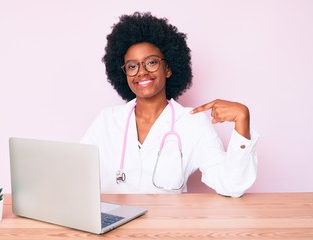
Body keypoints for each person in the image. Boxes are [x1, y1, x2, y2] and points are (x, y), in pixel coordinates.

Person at [80, 12, 258, 197]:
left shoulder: (192, 123)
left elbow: (231, 185)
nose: (141, 72)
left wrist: (242, 121)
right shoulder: (107, 120)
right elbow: (77, 173)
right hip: (114, 223)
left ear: (169, 69)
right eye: (132, 66)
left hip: (165, 223)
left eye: (151, 62)